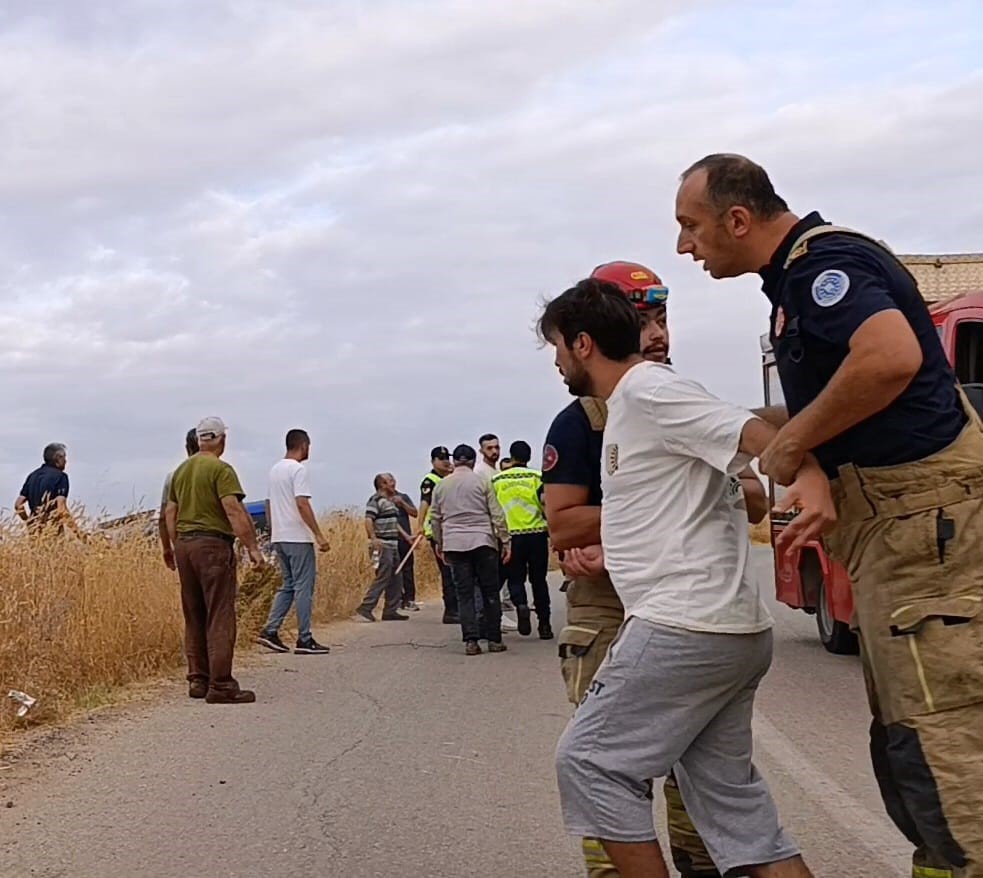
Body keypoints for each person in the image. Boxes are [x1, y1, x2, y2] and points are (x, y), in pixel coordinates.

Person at [675, 153, 983, 878]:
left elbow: (885, 360)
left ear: (737, 219)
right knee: (910, 745)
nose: (684, 246)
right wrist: (744, 428)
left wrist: (789, 446)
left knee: (942, 745)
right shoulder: (796, 278)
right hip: (900, 529)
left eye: (690, 227)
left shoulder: (821, 270)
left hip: (923, 525)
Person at [539, 280, 834, 878]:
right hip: (730, 629)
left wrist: (807, 473)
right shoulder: (633, 403)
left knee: (591, 762)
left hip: (683, 624)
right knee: (732, 806)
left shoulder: (650, 391)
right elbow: (680, 498)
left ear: (584, 344)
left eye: (559, 348)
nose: (557, 361)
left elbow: (752, 437)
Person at [165, 417, 265, 705]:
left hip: (185, 545)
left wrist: (176, 545)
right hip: (213, 545)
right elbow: (233, 510)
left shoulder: (180, 472)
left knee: (194, 613)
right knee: (219, 613)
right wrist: (252, 548)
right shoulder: (221, 469)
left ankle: (198, 678)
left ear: (198, 440)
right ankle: (221, 684)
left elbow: (171, 513)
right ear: (222, 440)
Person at [256, 429, 331, 656]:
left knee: (287, 585)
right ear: (304, 445)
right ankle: (304, 638)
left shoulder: (275, 470)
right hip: (297, 536)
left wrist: (273, 530)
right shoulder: (298, 470)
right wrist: (318, 534)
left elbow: (269, 503)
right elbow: (302, 503)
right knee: (303, 587)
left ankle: (270, 629)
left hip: (280, 535)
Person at [431, 444, 511, 656]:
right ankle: (494, 639)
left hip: (455, 544)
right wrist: (505, 540)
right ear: (473, 461)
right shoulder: (482, 482)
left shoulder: (441, 486)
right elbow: (497, 514)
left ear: (454, 462)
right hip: (483, 541)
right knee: (490, 591)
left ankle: (471, 641)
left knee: (464, 594)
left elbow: (435, 519)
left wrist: (440, 544)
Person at [492, 440, 553, 639]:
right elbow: (546, 504)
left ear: (512, 456)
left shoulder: (497, 480)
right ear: (528, 457)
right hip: (536, 534)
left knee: (515, 578)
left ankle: (521, 605)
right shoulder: (537, 477)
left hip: (512, 537)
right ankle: (545, 625)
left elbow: (494, 510)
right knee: (539, 580)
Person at [353, 474, 412, 623]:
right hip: (383, 544)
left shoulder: (389, 502)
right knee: (384, 577)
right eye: (390, 481)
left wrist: (407, 537)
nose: (394, 483)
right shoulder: (376, 501)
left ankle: (390, 610)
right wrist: (373, 539)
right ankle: (366, 607)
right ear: (382, 484)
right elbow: (368, 519)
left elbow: (394, 523)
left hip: (393, 544)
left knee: (396, 578)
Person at [418, 446, 460, 624]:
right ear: (433, 461)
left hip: (449, 529)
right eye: (441, 458)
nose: (445, 461)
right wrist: (419, 525)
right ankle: (451, 610)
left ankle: (456, 608)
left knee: (454, 571)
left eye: (447, 458)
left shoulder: (447, 479)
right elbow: (424, 504)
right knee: (448, 572)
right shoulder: (430, 480)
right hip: (436, 532)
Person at [15, 442, 84, 539]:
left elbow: (18, 505)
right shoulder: (61, 477)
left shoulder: (32, 476)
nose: (66, 461)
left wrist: (29, 522)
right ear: (58, 458)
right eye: (64, 457)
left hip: (34, 533)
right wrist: (79, 534)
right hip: (53, 531)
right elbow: (61, 510)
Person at [160, 428, 199, 571]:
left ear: (187, 448)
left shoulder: (173, 476)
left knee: (190, 591)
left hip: (184, 543)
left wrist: (168, 547)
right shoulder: (220, 471)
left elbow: (165, 517)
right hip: (213, 542)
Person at [389, 473, 421, 612]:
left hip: (405, 540)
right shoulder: (381, 500)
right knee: (393, 570)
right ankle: (396, 599)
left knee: (408, 569)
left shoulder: (403, 496)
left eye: (392, 480)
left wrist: (402, 503)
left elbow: (415, 513)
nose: (392, 483)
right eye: (388, 481)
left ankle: (409, 599)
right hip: (390, 539)